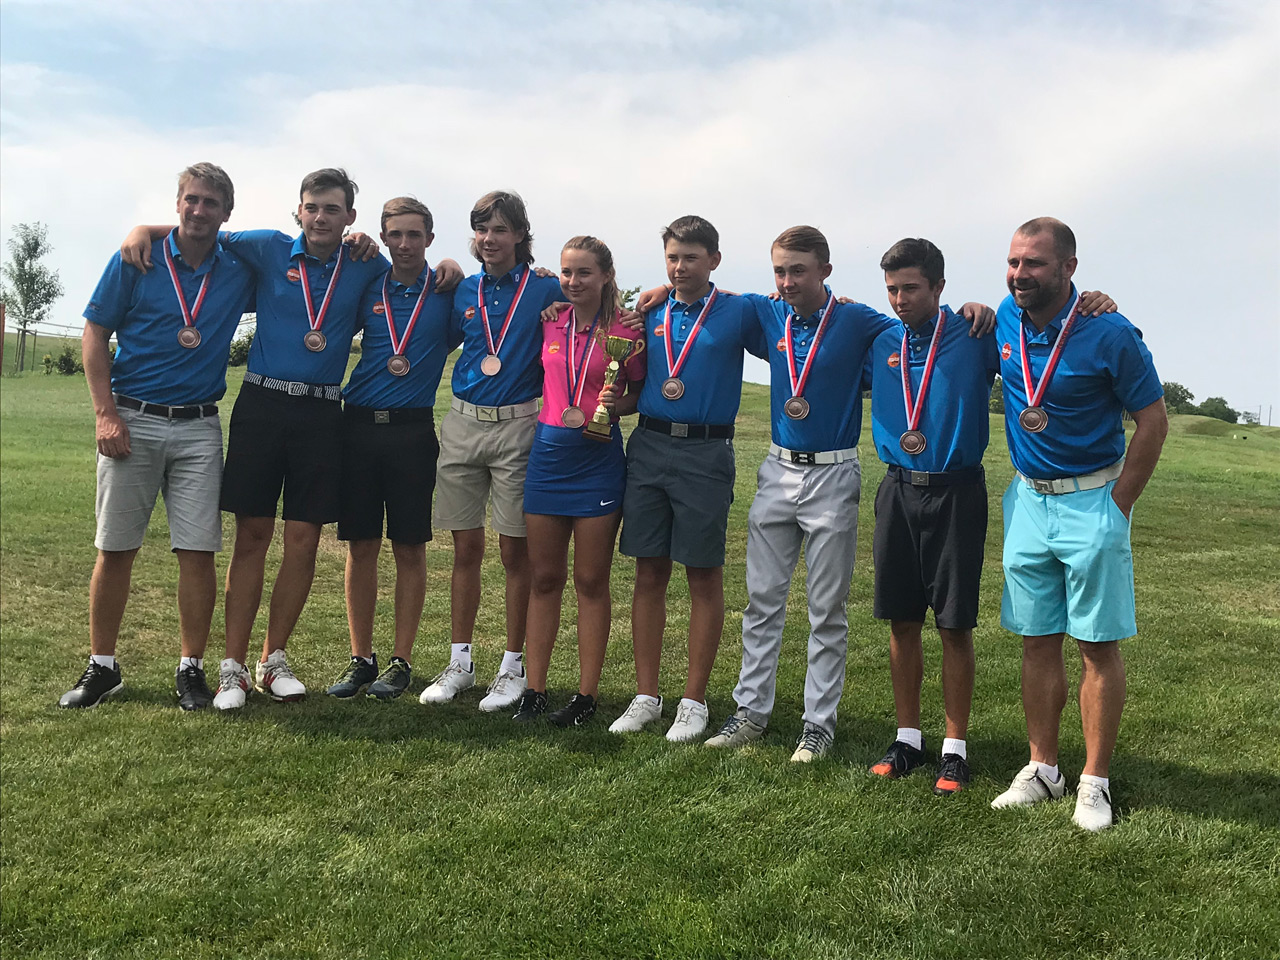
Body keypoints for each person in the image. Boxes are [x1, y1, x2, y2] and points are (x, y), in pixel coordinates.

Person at [704, 227, 997, 762]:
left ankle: (818, 724)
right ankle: (750, 711)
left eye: (798, 270)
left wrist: (977, 309)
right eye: (780, 271)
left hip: (835, 473)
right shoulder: (766, 313)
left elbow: (928, 331)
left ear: (825, 271)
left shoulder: (866, 324)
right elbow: (704, 295)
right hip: (777, 468)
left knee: (827, 608)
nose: (787, 281)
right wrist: (658, 289)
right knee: (761, 601)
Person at [863, 238, 1117, 795]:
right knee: (902, 620)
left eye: (911, 288)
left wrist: (1093, 300)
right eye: (892, 290)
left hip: (957, 491)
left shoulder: (976, 333)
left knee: (954, 623)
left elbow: (1040, 324)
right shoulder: (878, 340)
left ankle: (954, 748)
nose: (900, 299)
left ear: (939, 287)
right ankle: (908, 737)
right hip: (897, 489)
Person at [991, 217, 1166, 832]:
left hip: (1094, 499)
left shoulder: (1109, 331)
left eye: (1034, 263)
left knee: (1096, 644)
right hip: (1027, 501)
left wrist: (1119, 504)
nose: (1020, 274)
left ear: (1068, 267)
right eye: (1014, 261)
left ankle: (1094, 782)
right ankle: (1043, 768)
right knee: (1036, 639)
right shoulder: (1003, 319)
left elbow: (1153, 421)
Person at [61, 162, 255, 710]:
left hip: (199, 426)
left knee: (197, 551)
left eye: (210, 203)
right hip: (132, 418)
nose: (198, 210)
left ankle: (191, 668)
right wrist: (105, 414)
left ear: (227, 213)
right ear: (176, 204)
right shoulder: (136, 257)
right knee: (115, 547)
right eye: (190, 199)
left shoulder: (238, 269)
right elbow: (94, 333)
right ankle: (103, 666)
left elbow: (302, 257)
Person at [608, 216, 767, 742]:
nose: (680, 267)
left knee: (702, 573)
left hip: (706, 451)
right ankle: (646, 696)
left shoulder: (740, 311)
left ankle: (694, 701)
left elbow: (789, 326)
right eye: (673, 258)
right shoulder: (651, 310)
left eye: (691, 257)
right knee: (648, 571)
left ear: (714, 260)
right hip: (649, 445)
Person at [421, 191, 565, 713]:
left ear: (521, 235)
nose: (489, 239)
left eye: (500, 229)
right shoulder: (462, 289)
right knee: (465, 549)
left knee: (514, 552)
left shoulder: (547, 286)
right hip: (462, 422)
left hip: (519, 426)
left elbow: (597, 302)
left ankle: (512, 666)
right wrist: (447, 265)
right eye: (482, 229)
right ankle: (460, 663)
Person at [324, 197, 461, 701]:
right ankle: (362, 658)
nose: (404, 244)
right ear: (383, 238)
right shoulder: (369, 284)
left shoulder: (447, 291)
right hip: (357, 427)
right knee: (360, 545)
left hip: (412, 432)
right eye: (395, 235)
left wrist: (454, 266)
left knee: (409, 546)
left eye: (414, 235)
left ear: (430, 238)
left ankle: (401, 660)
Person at [510, 236, 646, 726]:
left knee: (590, 580)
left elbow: (638, 393)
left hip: (597, 459)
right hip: (548, 458)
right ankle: (534, 689)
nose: (573, 281)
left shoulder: (627, 332)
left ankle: (586, 695)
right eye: (567, 272)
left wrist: (614, 406)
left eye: (584, 272)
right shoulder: (550, 321)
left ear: (606, 275)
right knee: (544, 578)